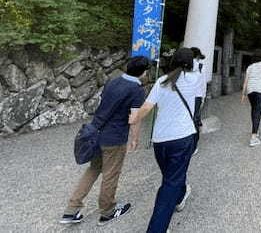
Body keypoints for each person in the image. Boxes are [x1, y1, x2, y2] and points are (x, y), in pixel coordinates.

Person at [59, 56, 149, 226]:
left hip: (96, 132)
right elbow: (134, 118)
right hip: (114, 138)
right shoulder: (137, 90)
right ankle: (107, 211)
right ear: (144, 72)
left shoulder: (113, 81)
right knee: (111, 174)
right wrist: (135, 138)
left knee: (94, 169)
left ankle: (71, 210)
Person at [129, 48, 202, 233]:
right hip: (183, 137)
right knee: (170, 182)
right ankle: (157, 229)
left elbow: (146, 108)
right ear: (191, 63)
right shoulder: (195, 79)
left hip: (161, 140)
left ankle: (180, 195)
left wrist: (133, 121)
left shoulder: (162, 81)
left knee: (171, 176)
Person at [241, 52, 261, 146]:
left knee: (254, 110)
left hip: (250, 90)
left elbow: (245, 81)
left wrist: (243, 94)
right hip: (259, 90)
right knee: (257, 112)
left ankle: (255, 130)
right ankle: (253, 137)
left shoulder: (250, 67)